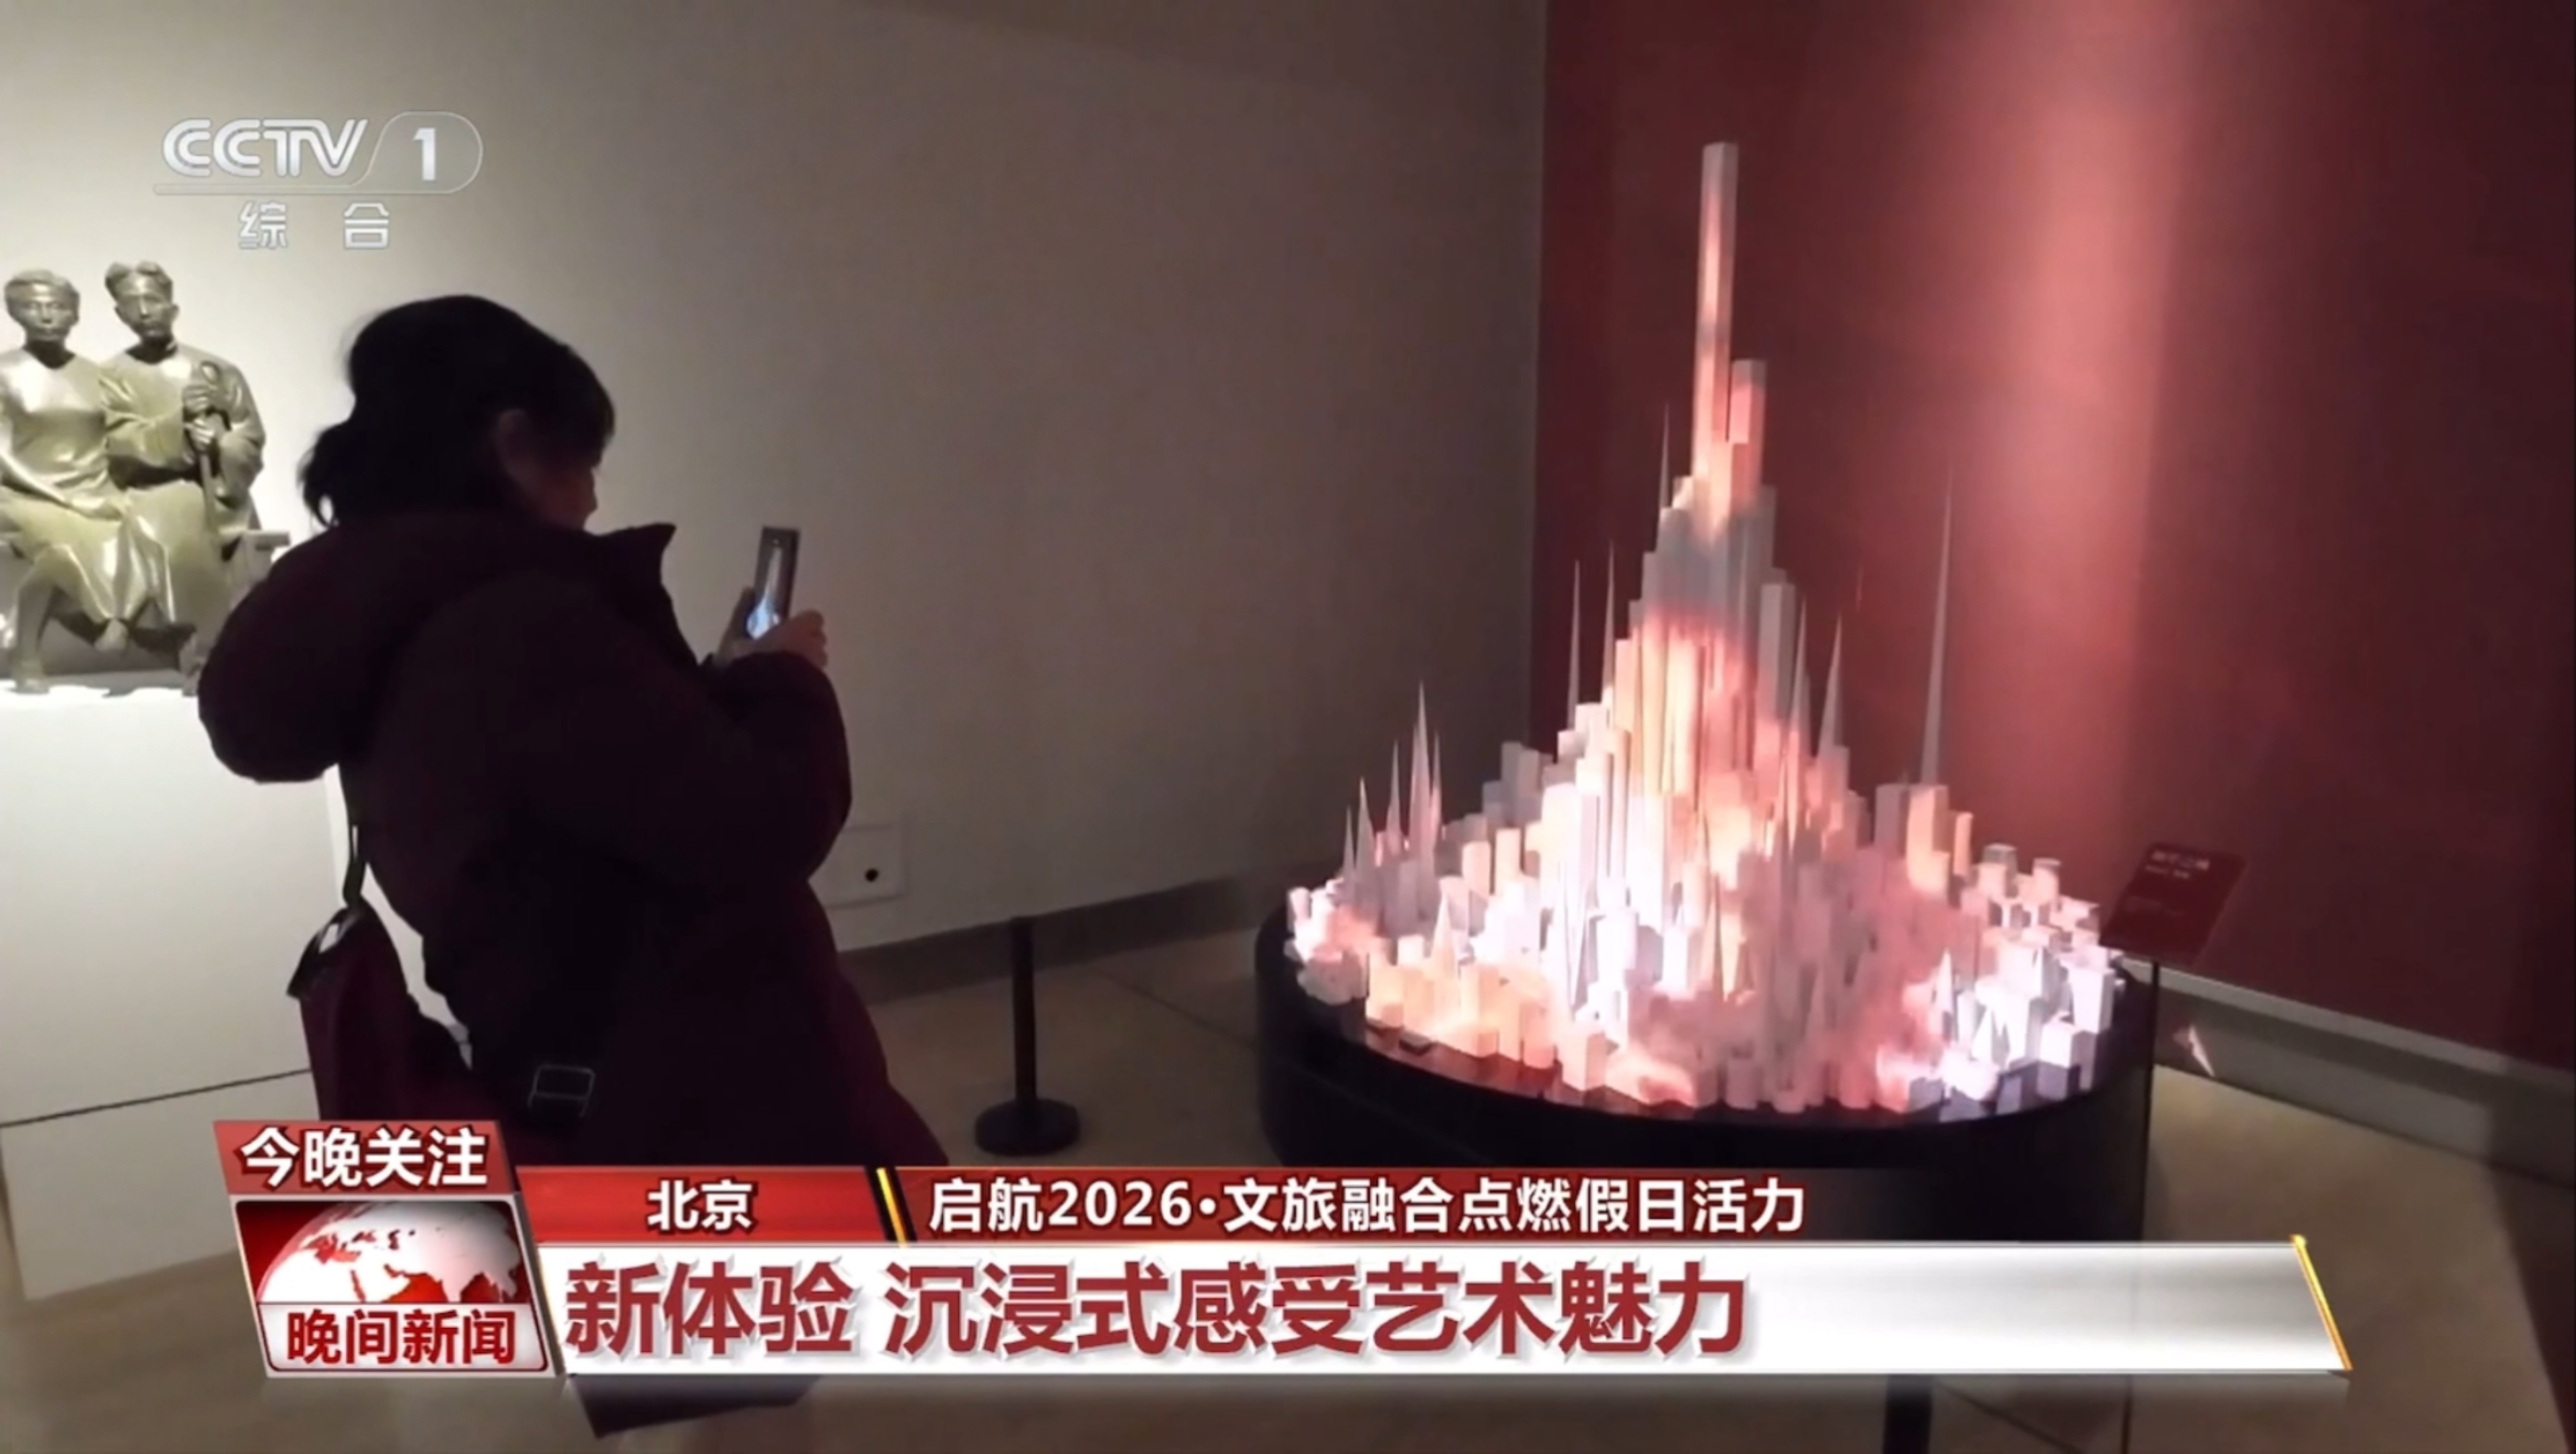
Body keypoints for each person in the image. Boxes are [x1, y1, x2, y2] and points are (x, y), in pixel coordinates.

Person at [195, 295, 945, 1177]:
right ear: (514, 443)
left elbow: (591, 793)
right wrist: (783, 678)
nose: (593, 496)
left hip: (565, 1060)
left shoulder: (392, 611)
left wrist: (713, 685)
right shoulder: (520, 626)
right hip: (702, 1089)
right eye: (584, 460)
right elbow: (767, 823)